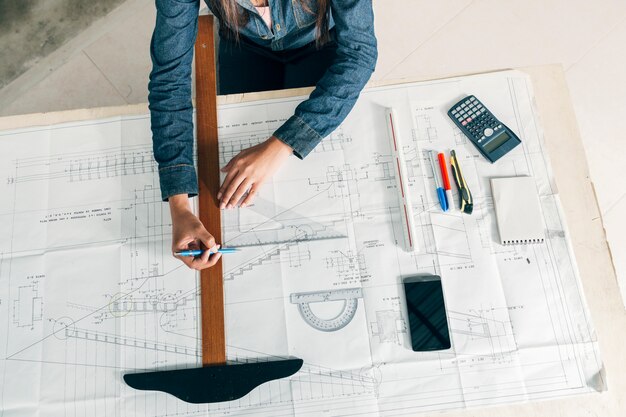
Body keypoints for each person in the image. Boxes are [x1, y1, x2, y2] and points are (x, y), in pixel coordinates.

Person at [149, 0, 377, 270]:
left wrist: (282, 144)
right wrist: (180, 207)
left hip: (320, 42)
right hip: (244, 45)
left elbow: (359, 54)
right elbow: (170, 81)